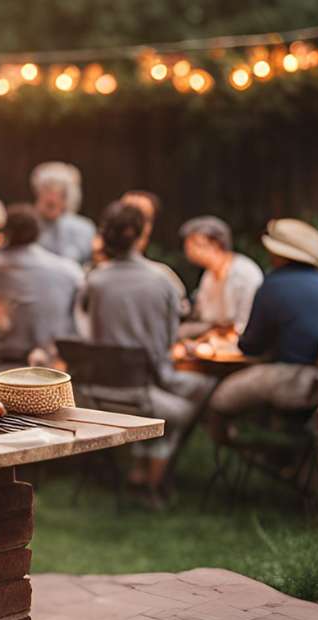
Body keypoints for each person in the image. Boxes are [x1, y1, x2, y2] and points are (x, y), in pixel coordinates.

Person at [85, 200, 214, 491]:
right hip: (142, 391)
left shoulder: (94, 281)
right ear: (142, 235)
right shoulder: (163, 280)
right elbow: (168, 342)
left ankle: (140, 469)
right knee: (202, 390)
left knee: (177, 391)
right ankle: (152, 481)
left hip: (98, 392)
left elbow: (86, 332)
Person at [209, 218, 318, 415]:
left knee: (220, 398)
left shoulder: (273, 286)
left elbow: (251, 346)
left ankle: (241, 441)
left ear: (278, 254)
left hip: (297, 378)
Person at [0, 205, 84, 369]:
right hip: (55, 368)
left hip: (5, 369)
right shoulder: (70, 271)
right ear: (38, 232)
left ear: (6, 233)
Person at [178, 215, 263, 337]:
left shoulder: (244, 273)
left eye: (195, 243)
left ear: (215, 244)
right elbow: (202, 316)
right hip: (214, 339)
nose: (189, 249)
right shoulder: (209, 274)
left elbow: (244, 323)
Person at [121, 189, 189, 317]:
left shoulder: (164, 277)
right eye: (128, 215)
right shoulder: (94, 272)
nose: (135, 226)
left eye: (144, 219)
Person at [31, 162, 96, 265]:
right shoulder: (30, 227)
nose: (51, 197)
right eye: (47, 189)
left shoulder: (84, 228)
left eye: (59, 192)